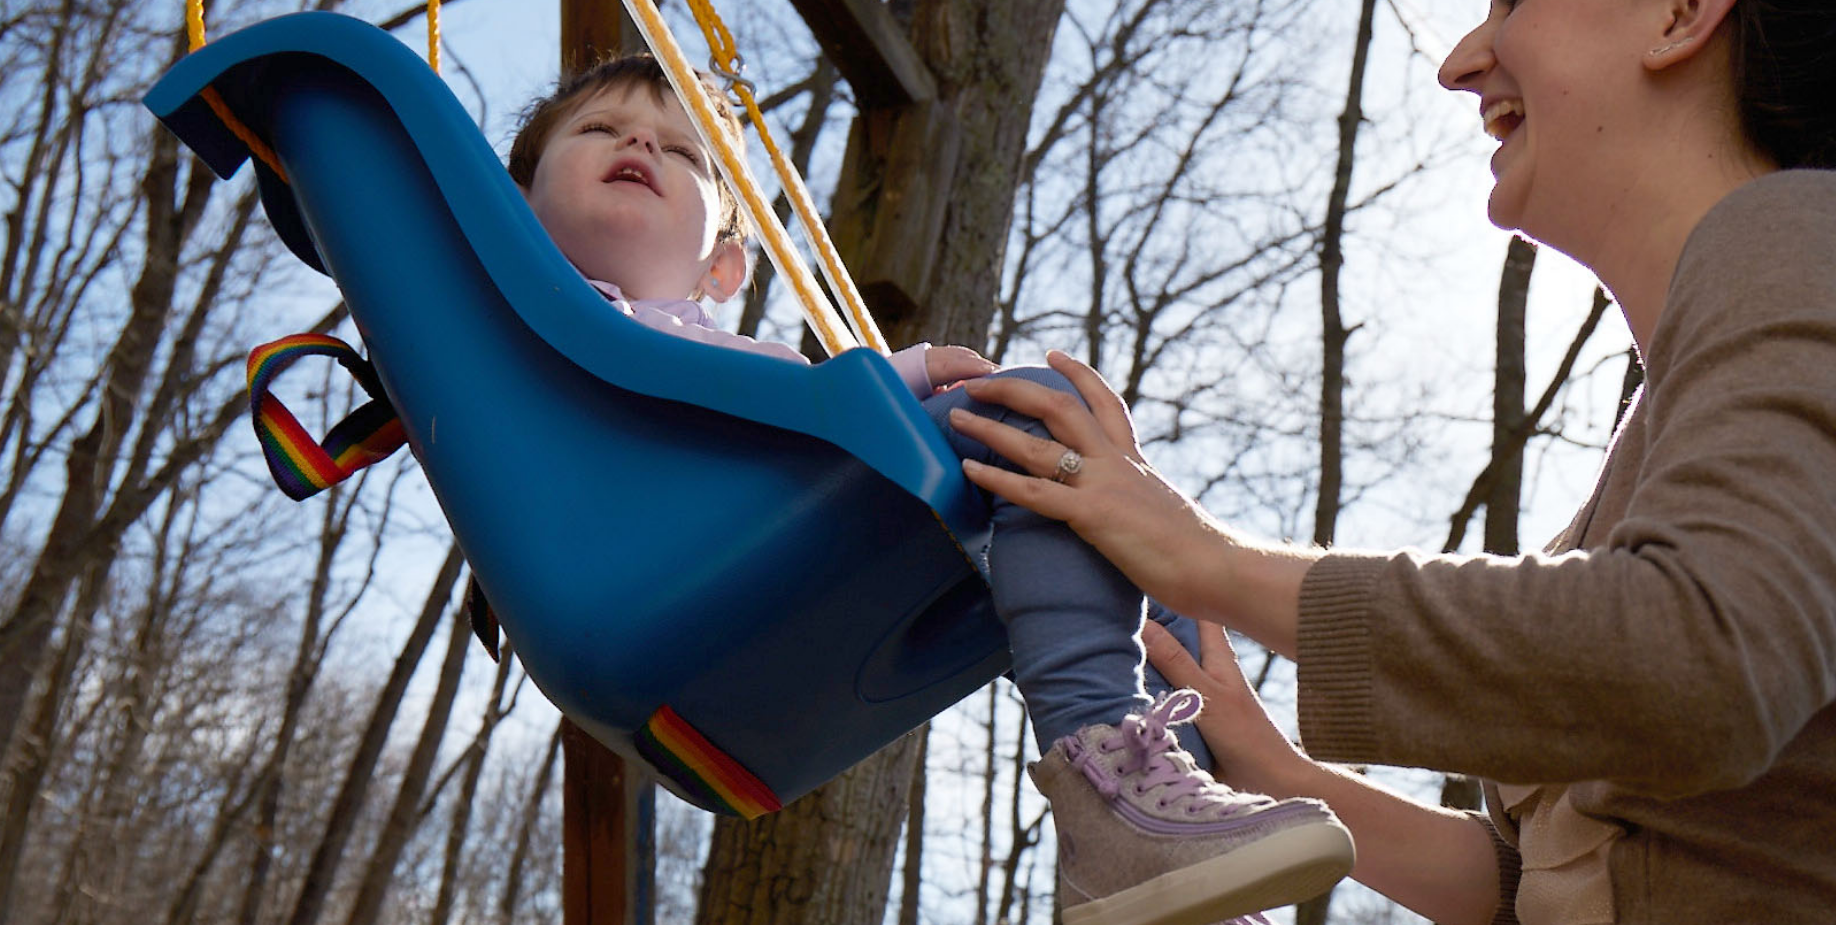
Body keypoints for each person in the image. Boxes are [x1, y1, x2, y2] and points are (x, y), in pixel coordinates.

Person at [945, 0, 1836, 925]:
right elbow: (1536, 884)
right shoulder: (1650, 458)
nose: (1460, 62)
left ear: (1686, 9)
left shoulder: (1815, 229)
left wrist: (1212, 564)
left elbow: (1704, 659)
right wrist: (1269, 765)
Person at [500, 57, 1355, 925]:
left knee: (1136, 564)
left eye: (683, 152)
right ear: (513, 204)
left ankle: (1173, 848)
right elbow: (755, 417)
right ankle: (1106, 783)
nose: (640, 139)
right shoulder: (537, 321)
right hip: (683, 562)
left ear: (722, 265)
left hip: (766, 568)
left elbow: (784, 411)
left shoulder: (720, 349)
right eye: (599, 130)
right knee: (1039, 418)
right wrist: (901, 379)